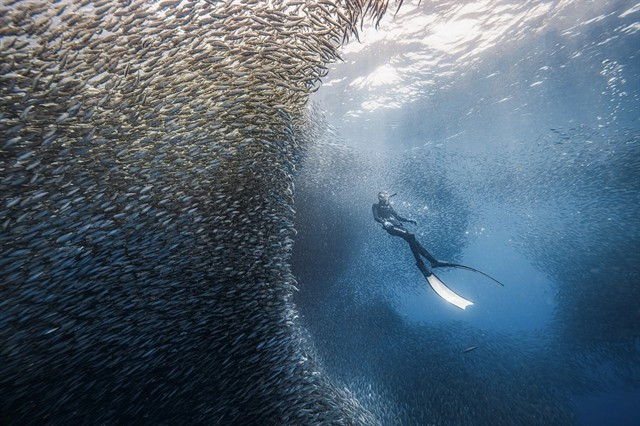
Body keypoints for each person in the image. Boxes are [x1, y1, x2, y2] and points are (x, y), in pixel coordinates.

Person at [372, 191, 444, 275]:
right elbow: (376, 217)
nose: (381, 198)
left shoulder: (389, 206)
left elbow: (398, 217)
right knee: (411, 236)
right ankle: (420, 264)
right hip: (391, 227)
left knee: (415, 242)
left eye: (383, 196)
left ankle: (433, 261)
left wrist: (409, 220)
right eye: (380, 197)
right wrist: (384, 222)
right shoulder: (376, 206)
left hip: (398, 226)